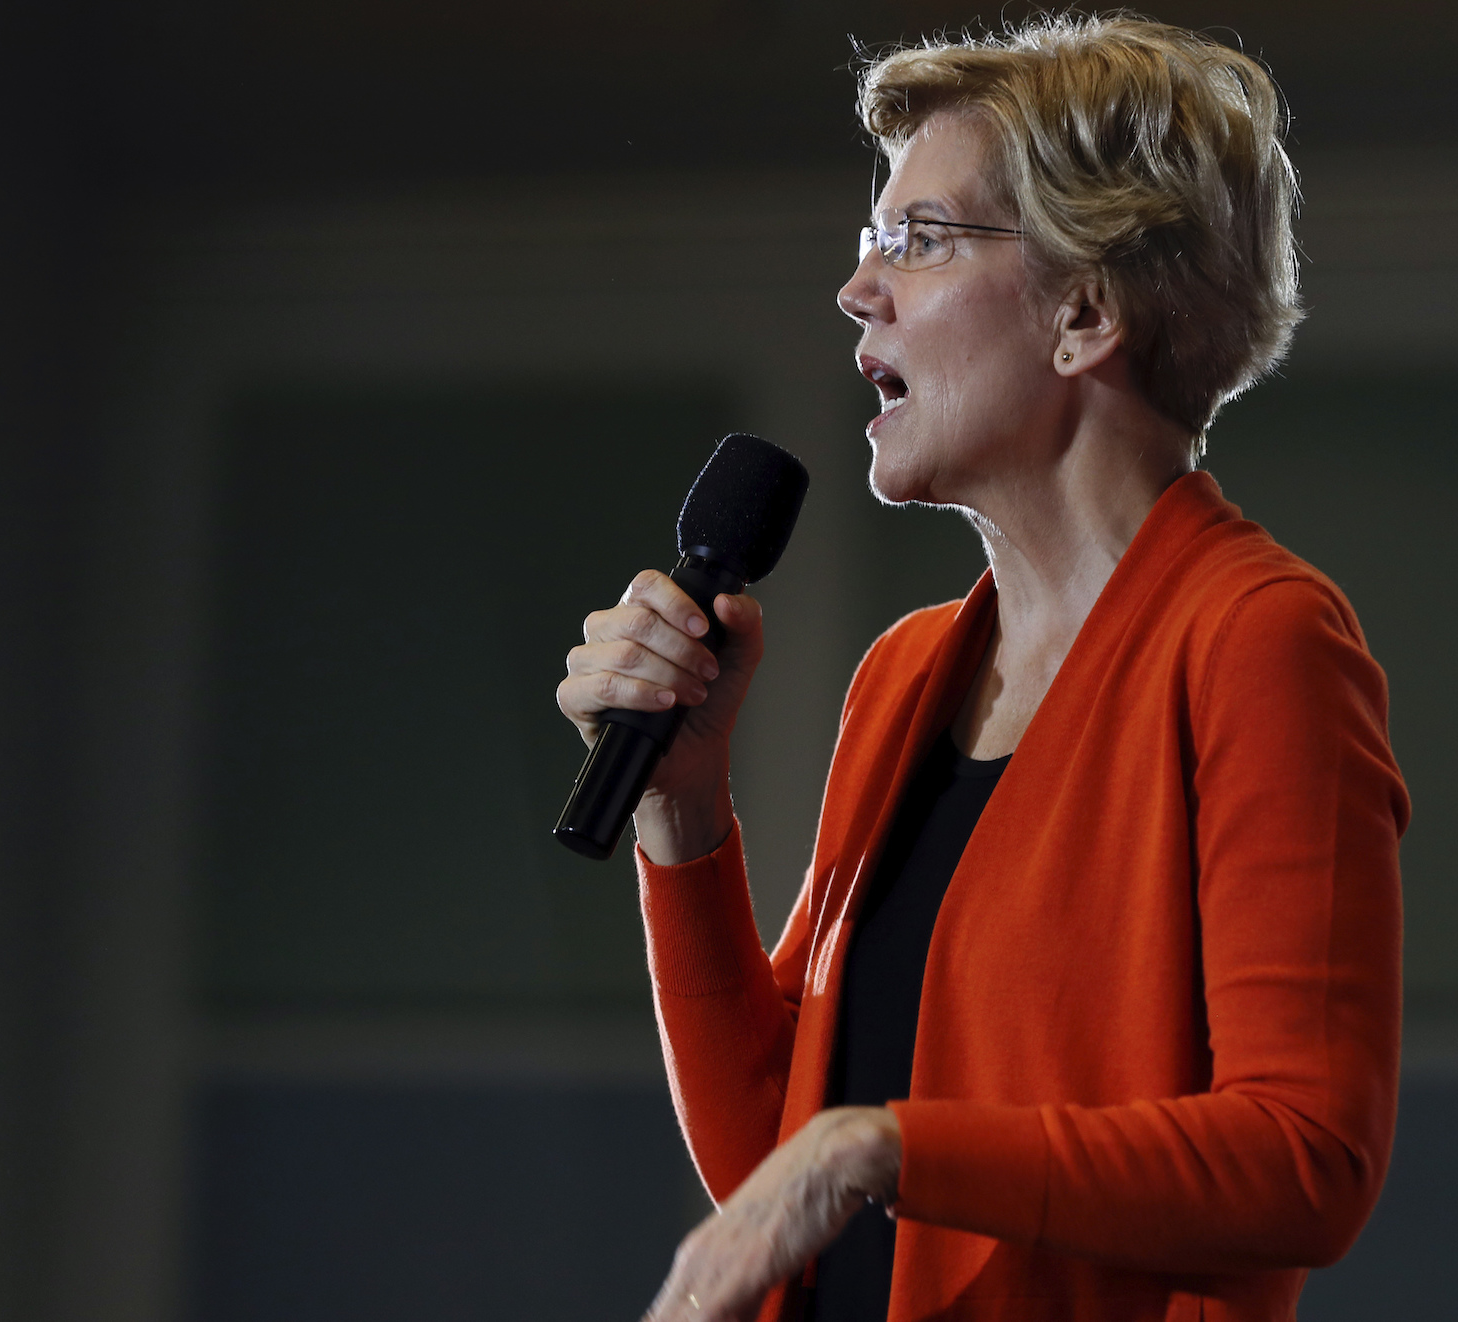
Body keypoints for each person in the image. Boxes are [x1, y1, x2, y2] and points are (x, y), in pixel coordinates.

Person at [556, 14, 1409, 1321]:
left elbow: (1305, 1159)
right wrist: (683, 810)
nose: (858, 289)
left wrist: (888, 1147)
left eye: (918, 239)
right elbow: (777, 1164)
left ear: (1085, 311)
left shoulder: (1254, 638)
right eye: (870, 239)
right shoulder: (905, 676)